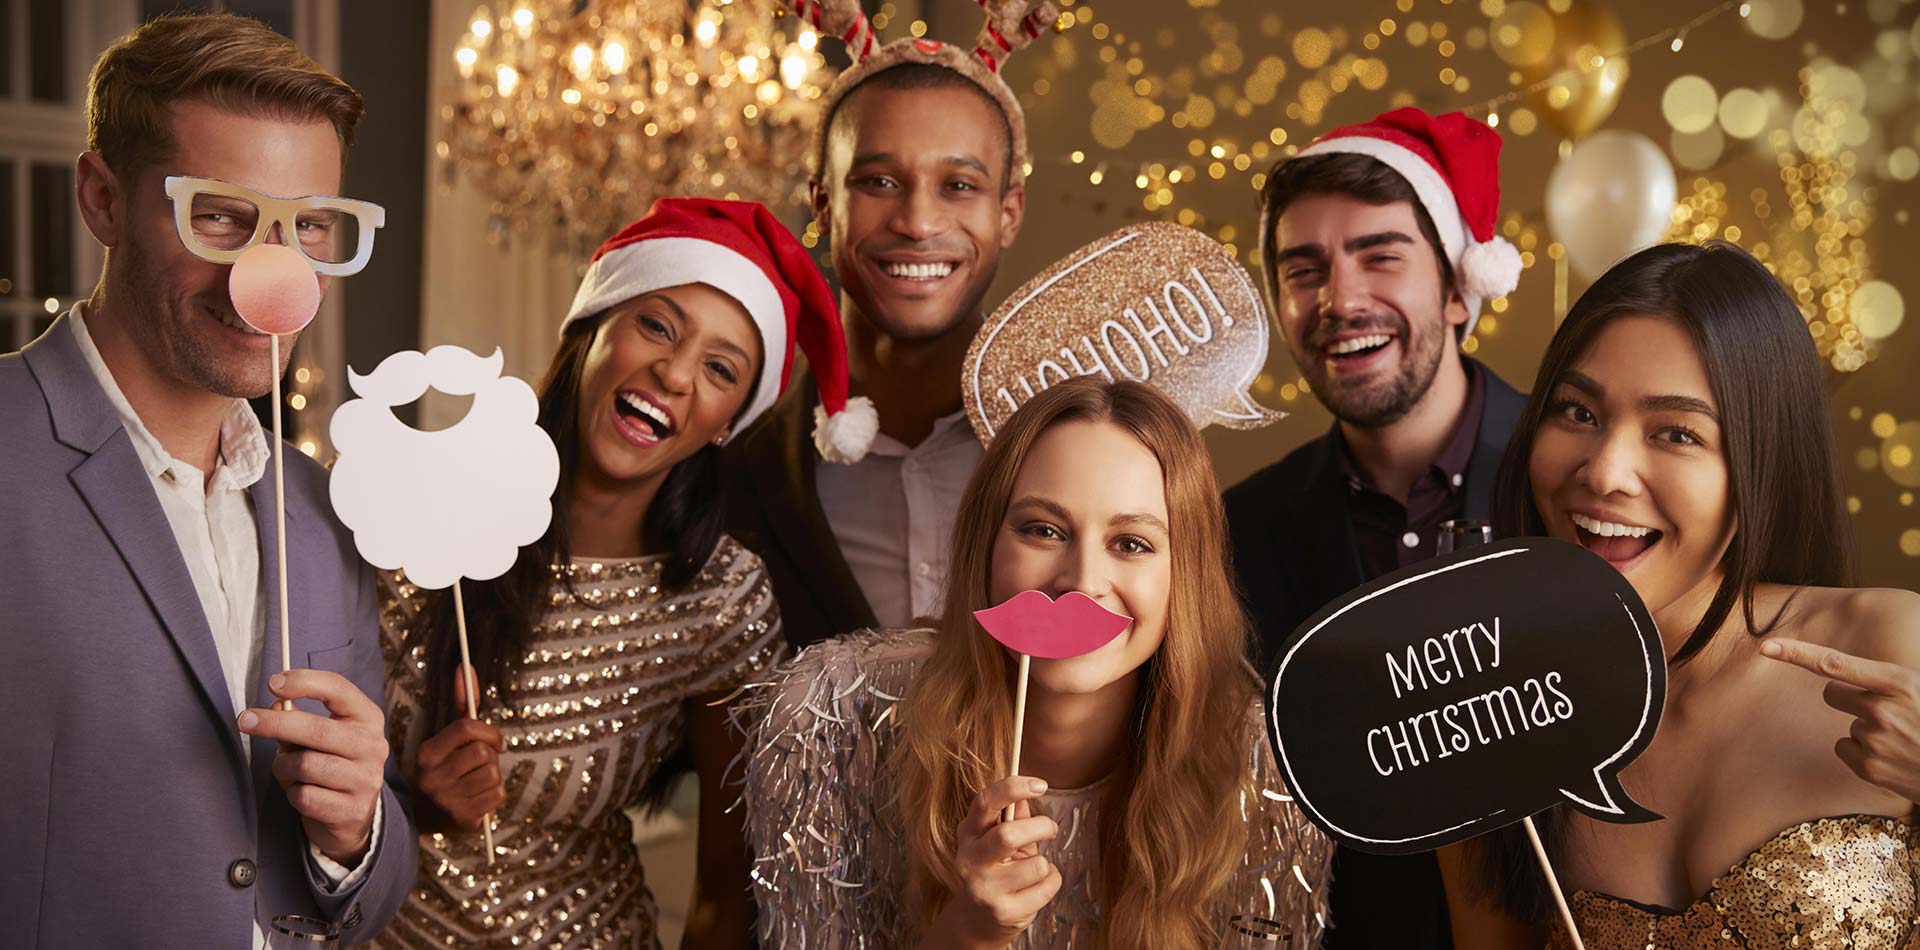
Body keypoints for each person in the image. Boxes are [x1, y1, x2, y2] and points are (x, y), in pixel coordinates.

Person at [0, 13, 414, 945]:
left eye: (311, 226)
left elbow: (372, 890)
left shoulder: (321, 511)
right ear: (103, 199)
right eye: (222, 216)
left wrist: (355, 829)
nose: (274, 276)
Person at [370, 199, 864, 948]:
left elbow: (728, 884)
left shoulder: (722, 599)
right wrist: (416, 808)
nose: (673, 371)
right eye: (657, 326)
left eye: (720, 368)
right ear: (592, 326)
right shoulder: (415, 506)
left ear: (728, 420)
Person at [742, 377, 1334, 949]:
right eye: (1043, 530)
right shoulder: (834, 715)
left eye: (1131, 543)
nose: (1080, 582)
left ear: (1186, 576)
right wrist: (968, 934)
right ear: (986, 547)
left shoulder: (1263, 767)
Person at [1445, 240, 1920, 948]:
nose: (1605, 471)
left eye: (1676, 432)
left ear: (1760, 463)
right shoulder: (1494, 720)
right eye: (1577, 412)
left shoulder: (1893, 647)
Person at [1224, 107, 1526, 948]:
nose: (1340, 300)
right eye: (1304, 269)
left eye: (1380, 256)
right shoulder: (1234, 531)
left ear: (1461, 286)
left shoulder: (1573, 483)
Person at [724, 0, 1054, 648]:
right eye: (879, 180)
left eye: (958, 185)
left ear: (1008, 212)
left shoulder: (1076, 445)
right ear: (824, 203)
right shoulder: (733, 464)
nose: (919, 222)